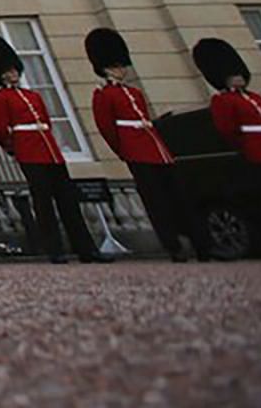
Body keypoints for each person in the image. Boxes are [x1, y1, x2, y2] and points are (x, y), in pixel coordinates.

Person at [86, 27, 210, 262]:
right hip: (136, 150)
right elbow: (108, 129)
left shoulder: (134, 92)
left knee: (179, 198)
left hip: (157, 149)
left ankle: (200, 242)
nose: (121, 69)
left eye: (121, 65)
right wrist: (124, 151)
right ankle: (173, 245)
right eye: (116, 65)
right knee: (157, 202)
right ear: (105, 68)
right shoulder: (104, 95)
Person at [0, 35, 99, 263]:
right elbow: (0, 129)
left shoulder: (33, 96)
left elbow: (46, 123)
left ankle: (86, 248)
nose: (12, 74)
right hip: (29, 152)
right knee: (43, 203)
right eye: (7, 71)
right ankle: (55, 249)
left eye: (14, 70)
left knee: (68, 202)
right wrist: (14, 148)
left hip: (50, 151)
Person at [195, 36, 261, 255]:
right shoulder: (223, 101)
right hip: (260, 154)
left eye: (239, 73)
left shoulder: (255, 98)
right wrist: (249, 148)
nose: (239, 78)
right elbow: (228, 130)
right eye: (233, 75)